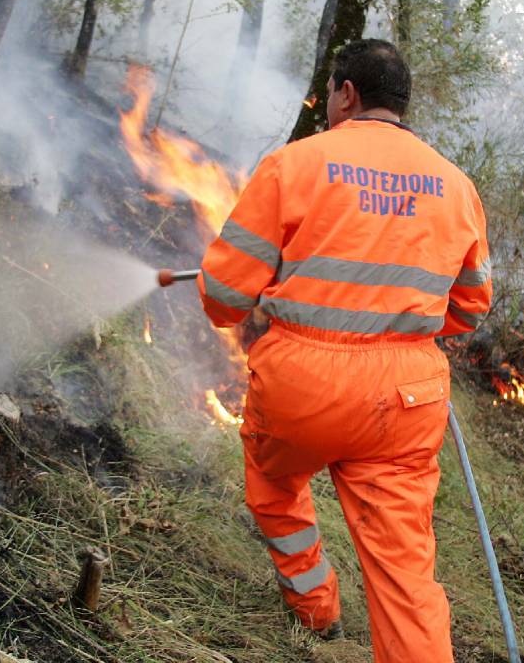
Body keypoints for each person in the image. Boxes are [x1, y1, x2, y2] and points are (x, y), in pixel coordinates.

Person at [196, 39, 492, 662]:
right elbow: (468, 310)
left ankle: (314, 604)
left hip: (304, 384)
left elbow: (224, 295)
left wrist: (267, 293)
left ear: (347, 93)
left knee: (275, 482)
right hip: (408, 400)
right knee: (405, 572)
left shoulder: (293, 165)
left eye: (329, 93)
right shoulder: (458, 188)